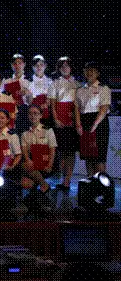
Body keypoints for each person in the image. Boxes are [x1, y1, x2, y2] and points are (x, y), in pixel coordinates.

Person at [47, 57, 79, 191]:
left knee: (71, 152)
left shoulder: (78, 84)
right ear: (59, 69)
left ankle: (67, 181)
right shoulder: (55, 83)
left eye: (67, 65)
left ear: (71, 67)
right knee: (61, 151)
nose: (65, 68)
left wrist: (76, 121)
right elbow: (52, 105)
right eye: (62, 66)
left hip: (73, 122)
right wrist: (56, 119)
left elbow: (78, 105)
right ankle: (61, 179)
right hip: (59, 122)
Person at [74, 62, 111, 176]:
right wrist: (78, 124)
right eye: (87, 70)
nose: (89, 72)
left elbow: (104, 109)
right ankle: (90, 182)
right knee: (88, 156)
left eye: (92, 70)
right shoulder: (80, 90)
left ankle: (101, 184)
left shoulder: (103, 88)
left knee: (99, 158)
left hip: (99, 123)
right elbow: (77, 108)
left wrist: (94, 125)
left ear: (98, 73)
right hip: (84, 122)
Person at [20, 104, 56, 193]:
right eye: (30, 113)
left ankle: (40, 184)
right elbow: (24, 151)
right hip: (32, 163)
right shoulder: (24, 133)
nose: (33, 116)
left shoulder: (48, 130)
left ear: (41, 115)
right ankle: (44, 184)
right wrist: (28, 160)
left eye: (35, 113)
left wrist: (50, 165)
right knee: (25, 177)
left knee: (28, 171)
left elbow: (52, 149)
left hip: (46, 163)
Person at [0, 109, 22, 181]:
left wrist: (12, 166)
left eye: (2, 118)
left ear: (7, 120)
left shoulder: (12, 135)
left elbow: (18, 155)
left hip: (9, 169)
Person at [28, 55, 52, 124]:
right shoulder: (28, 82)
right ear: (32, 67)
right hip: (33, 115)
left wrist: (47, 102)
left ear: (45, 66)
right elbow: (28, 102)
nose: (39, 67)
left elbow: (52, 99)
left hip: (47, 115)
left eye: (41, 65)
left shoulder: (50, 81)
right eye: (36, 65)